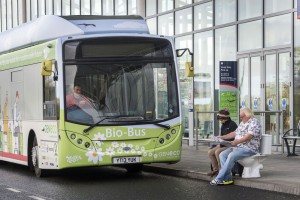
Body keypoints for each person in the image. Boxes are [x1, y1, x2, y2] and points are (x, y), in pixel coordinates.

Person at [210, 107, 261, 186]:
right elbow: (234, 133)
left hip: (249, 148)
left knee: (231, 155)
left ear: (246, 114)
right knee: (222, 154)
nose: (240, 115)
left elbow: (249, 137)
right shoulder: (242, 123)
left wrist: (237, 142)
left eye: (241, 113)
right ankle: (228, 179)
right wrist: (222, 137)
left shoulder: (254, 122)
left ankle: (219, 178)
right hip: (238, 147)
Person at [207, 109, 237, 177]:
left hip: (230, 145)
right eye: (220, 119)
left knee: (217, 152)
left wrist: (222, 141)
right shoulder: (223, 125)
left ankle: (221, 170)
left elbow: (233, 138)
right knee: (210, 152)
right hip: (223, 144)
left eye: (221, 119)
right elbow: (222, 136)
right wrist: (219, 141)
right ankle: (216, 170)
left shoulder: (232, 124)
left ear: (225, 118)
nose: (220, 121)